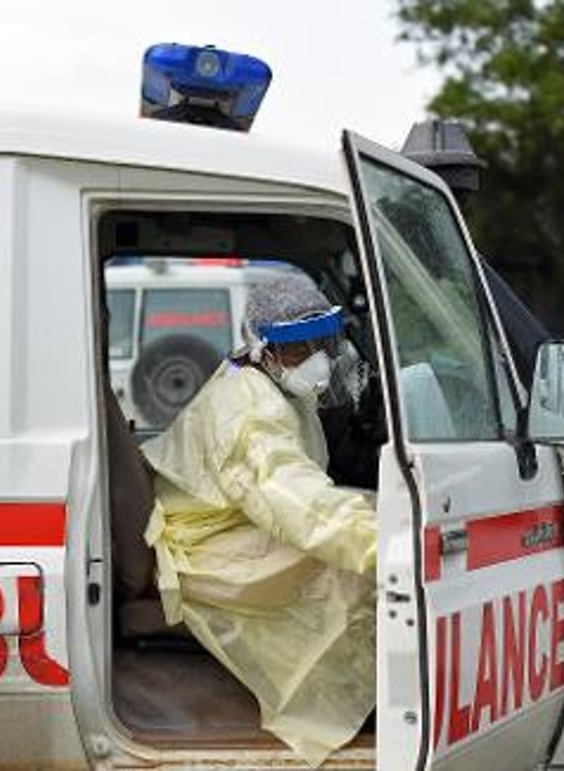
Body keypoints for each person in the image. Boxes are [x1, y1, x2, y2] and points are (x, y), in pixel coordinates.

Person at [141, 273, 377, 766]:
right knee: (344, 578)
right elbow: (292, 497)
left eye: (321, 343)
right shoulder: (248, 411)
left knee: (359, 530)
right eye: (297, 348)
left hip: (231, 522)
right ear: (264, 350)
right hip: (204, 548)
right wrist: (382, 545)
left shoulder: (267, 381)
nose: (316, 358)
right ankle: (344, 703)